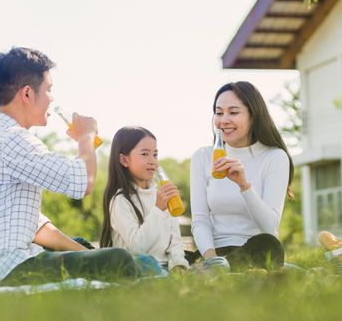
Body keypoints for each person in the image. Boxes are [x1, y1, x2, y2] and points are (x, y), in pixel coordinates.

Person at [0, 47, 137, 288]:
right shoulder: (12, 138)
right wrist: (86, 136)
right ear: (27, 94)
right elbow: (84, 181)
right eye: (49, 89)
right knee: (118, 260)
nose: (52, 98)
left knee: (82, 245)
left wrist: (83, 252)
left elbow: (35, 227)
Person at [190, 81, 294, 272]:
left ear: (253, 116)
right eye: (219, 112)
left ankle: (218, 272)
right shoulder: (203, 157)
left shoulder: (275, 157)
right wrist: (213, 261)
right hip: (213, 253)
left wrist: (244, 185)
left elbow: (269, 227)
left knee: (267, 244)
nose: (224, 120)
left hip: (255, 250)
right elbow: (200, 219)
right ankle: (217, 271)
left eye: (233, 112)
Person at [99, 126, 189, 271]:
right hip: (138, 268)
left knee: (218, 263)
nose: (152, 160)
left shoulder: (161, 196)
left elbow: (175, 242)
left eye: (155, 154)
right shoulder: (120, 200)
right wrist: (158, 209)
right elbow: (137, 248)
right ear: (124, 160)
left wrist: (179, 266)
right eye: (145, 154)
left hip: (165, 268)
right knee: (146, 262)